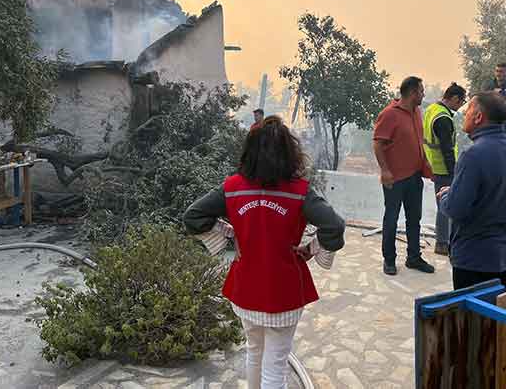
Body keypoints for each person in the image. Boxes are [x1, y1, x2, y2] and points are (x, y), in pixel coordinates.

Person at [183, 116, 345, 389]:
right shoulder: (300, 192)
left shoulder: (232, 188)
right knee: (276, 363)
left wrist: (230, 234)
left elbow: (193, 217)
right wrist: (312, 248)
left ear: (250, 151)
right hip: (284, 290)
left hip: (245, 287)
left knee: (254, 351)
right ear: (289, 152)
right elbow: (335, 226)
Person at [437, 92, 506, 290]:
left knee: (471, 310)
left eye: (469, 109)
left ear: (478, 117)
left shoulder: (473, 155)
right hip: (503, 256)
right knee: (491, 308)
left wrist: (445, 196)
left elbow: (456, 209)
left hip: (473, 258)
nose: (464, 113)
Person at [373, 76, 435, 276]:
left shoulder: (416, 112)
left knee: (414, 218)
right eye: (421, 91)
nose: (423, 94)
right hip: (395, 178)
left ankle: (414, 257)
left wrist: (426, 165)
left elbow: (418, 142)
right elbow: (378, 144)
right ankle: (389, 260)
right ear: (412, 93)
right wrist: (385, 170)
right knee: (391, 218)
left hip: (414, 177)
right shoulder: (389, 114)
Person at [423, 82, 467, 256]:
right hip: (443, 168)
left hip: (433, 165)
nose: (461, 106)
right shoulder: (443, 118)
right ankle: (442, 243)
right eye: (461, 101)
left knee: (442, 204)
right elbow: (447, 149)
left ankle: (442, 241)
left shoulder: (432, 109)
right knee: (445, 206)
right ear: (455, 98)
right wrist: (454, 172)